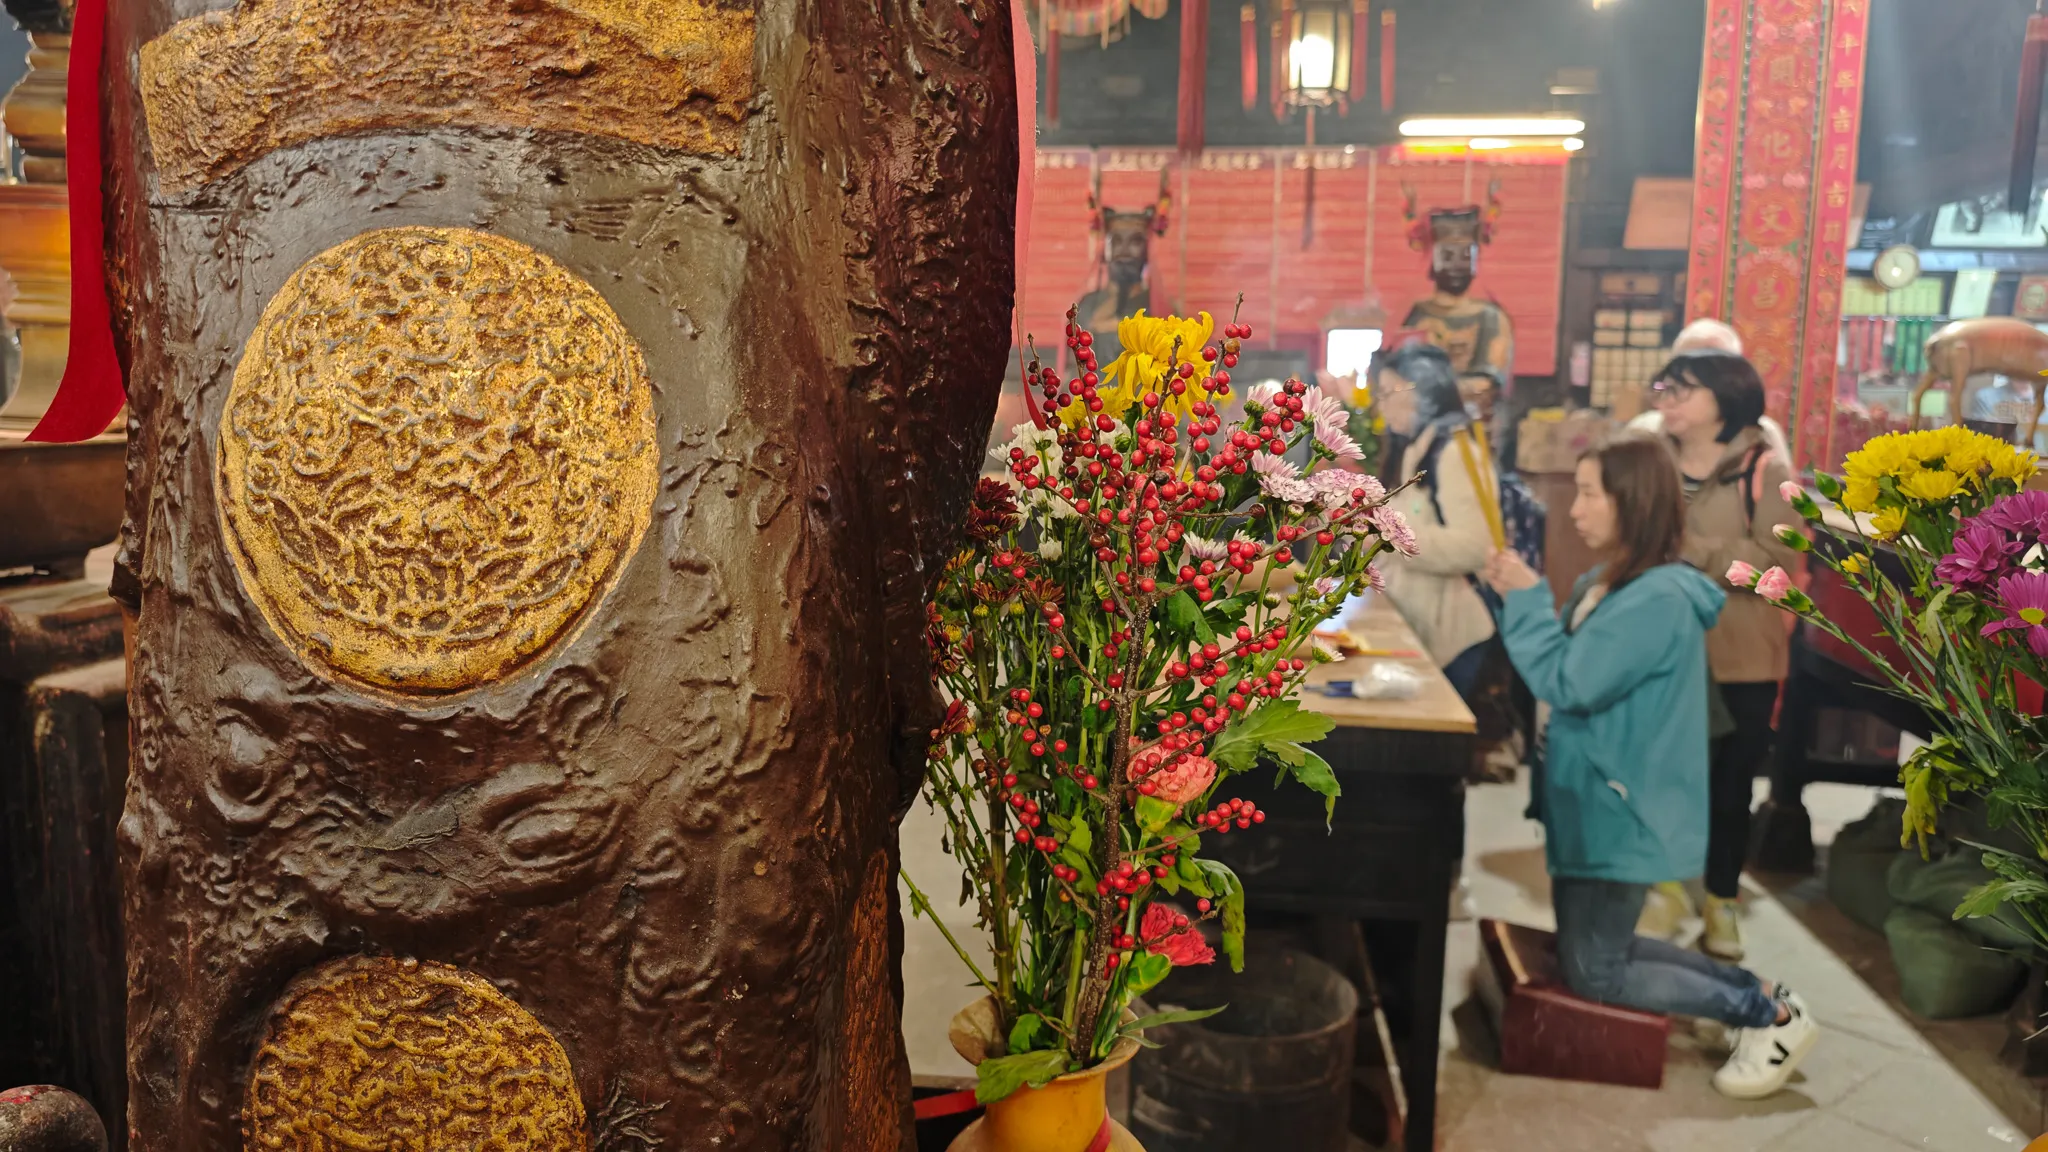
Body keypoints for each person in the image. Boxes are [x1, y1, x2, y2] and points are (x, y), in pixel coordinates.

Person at [1481, 433, 1819, 1100]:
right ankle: (1759, 997)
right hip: (1595, 796)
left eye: (1589, 493)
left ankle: (1768, 1016)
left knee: (1597, 970)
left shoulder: (1657, 598)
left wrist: (1525, 599)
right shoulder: (1610, 584)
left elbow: (1569, 680)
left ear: (1631, 502)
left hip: (1618, 804)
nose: (1574, 509)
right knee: (1598, 950)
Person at [1649, 351, 1800, 961]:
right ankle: (1664, 886)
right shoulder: (1653, 460)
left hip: (1741, 658)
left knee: (1730, 786)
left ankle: (1720, 899)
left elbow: (1779, 565)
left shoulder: (1767, 469)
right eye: (1665, 388)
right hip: (1665, 649)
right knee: (1662, 774)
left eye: (1683, 390)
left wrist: (1693, 549)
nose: (1667, 400)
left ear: (1726, 398)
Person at [1374, 343, 1499, 696]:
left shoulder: (1457, 452)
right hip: (1421, 627)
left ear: (1423, 392)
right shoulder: (1417, 450)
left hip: (1453, 637)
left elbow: (1476, 547)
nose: (1381, 405)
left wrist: (1389, 535)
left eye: (1388, 392)